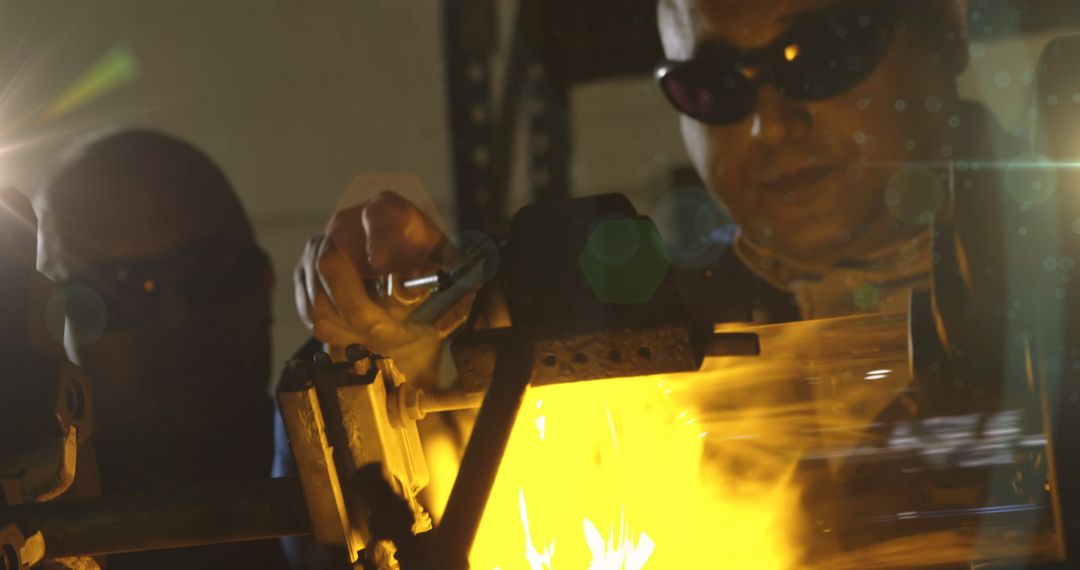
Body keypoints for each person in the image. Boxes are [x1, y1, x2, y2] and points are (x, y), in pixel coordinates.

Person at [36, 129, 288, 569]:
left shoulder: (397, 467)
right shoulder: (27, 530)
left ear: (263, 281)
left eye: (209, 270)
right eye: (119, 292)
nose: (177, 315)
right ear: (57, 327)